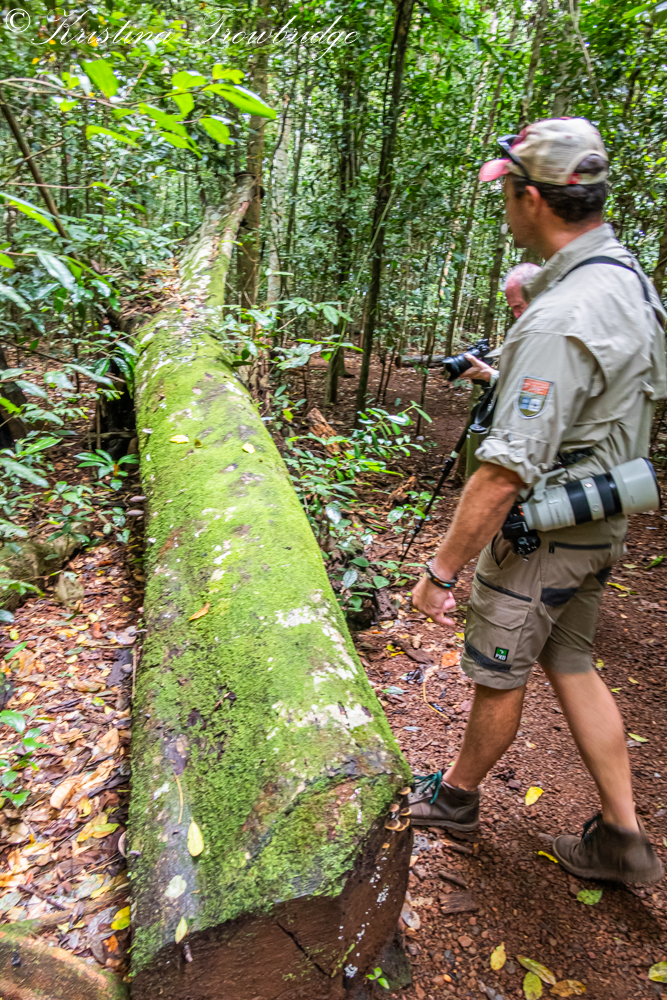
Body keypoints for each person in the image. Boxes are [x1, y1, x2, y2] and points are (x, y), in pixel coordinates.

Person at [409, 118, 666, 885]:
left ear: (531, 198)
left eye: (506, 193)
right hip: (599, 520)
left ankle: (454, 799)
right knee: (572, 662)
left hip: (541, 535)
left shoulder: (560, 315)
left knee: (498, 670)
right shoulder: (629, 283)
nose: (504, 208)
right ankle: (620, 836)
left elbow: (502, 474)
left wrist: (440, 572)